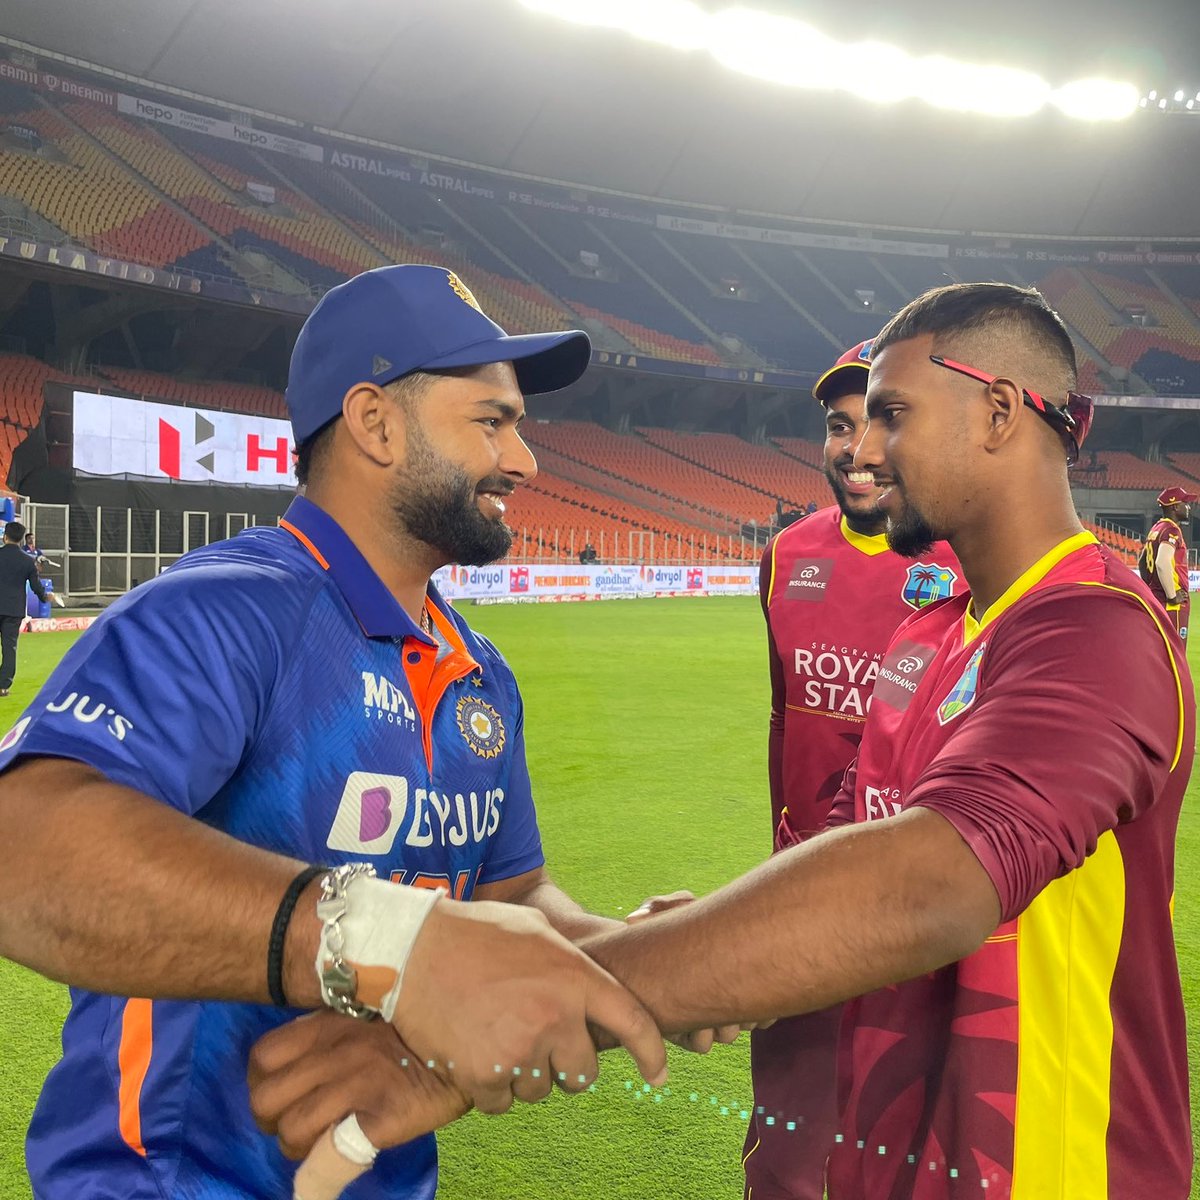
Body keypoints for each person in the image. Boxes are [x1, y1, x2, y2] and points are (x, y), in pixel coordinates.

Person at [256, 283, 1196, 1200]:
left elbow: (931, 882)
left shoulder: (1097, 627)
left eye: (894, 413)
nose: (864, 448)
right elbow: (854, 848)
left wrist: (512, 1015)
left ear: (999, 412)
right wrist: (709, 940)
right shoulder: (933, 635)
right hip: (898, 1149)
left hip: (1048, 1160)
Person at [0, 265, 680, 1200]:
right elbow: (23, 847)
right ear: (375, 422)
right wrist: (386, 937)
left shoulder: (480, 669)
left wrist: (606, 952)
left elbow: (513, 890)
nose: (524, 461)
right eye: (491, 421)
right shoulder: (224, 614)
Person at [745, 341, 961, 1200]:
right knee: (787, 1160)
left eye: (879, 420)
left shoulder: (960, 567)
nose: (856, 448)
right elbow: (782, 722)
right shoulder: (786, 556)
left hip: (920, 918)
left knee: (907, 1159)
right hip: (801, 907)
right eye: (839, 425)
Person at [1140, 484, 1197, 641]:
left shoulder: (1156, 528)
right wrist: (1172, 596)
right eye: (1185, 503)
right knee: (1175, 654)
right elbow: (1162, 563)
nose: (1188, 508)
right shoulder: (1172, 530)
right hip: (1171, 604)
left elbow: (1142, 562)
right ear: (1175, 506)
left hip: (1156, 598)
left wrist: (1149, 589)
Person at [0, 520, 47, 696]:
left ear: (5, 537)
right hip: (13, 610)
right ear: (21, 540)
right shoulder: (28, 561)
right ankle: (2, 685)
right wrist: (45, 597)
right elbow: (36, 587)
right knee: (9, 648)